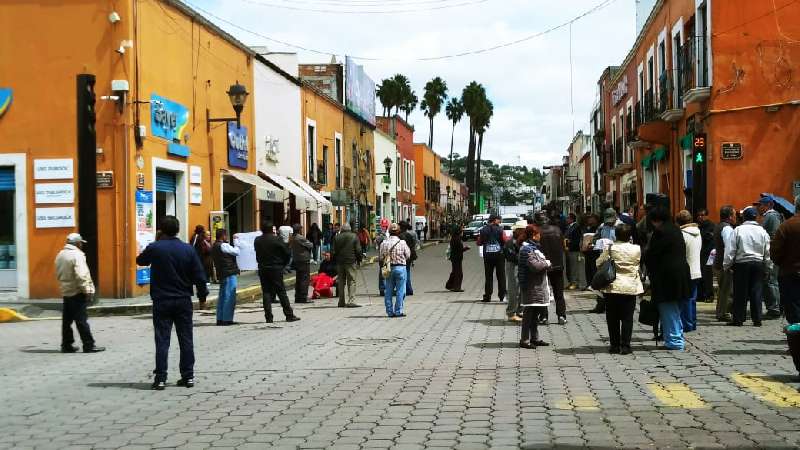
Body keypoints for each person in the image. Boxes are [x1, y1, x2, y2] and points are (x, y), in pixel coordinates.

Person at [136, 216, 208, 390]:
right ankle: (188, 376)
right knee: (186, 339)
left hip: (162, 300)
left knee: (162, 340)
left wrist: (155, 243)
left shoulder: (155, 248)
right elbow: (199, 275)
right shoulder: (188, 250)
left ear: (161, 229)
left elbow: (140, 260)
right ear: (178, 229)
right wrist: (202, 296)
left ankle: (160, 378)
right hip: (183, 300)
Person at [645, 207, 690, 350]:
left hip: (666, 277)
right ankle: (677, 337)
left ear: (655, 220)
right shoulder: (676, 230)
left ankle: (674, 341)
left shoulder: (660, 232)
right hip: (681, 274)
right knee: (676, 310)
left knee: (668, 310)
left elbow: (652, 255)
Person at [597, 224, 643, 354]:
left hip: (613, 287)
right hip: (630, 286)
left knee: (612, 318)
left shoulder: (611, 248)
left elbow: (598, 263)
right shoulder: (637, 249)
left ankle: (614, 345)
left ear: (615, 235)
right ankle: (626, 346)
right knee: (628, 317)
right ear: (629, 236)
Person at [55, 233, 104, 354]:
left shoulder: (60, 254)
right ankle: (89, 345)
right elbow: (82, 275)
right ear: (77, 243)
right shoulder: (77, 255)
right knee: (81, 320)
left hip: (66, 290)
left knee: (67, 321)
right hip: (77, 291)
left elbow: (58, 273)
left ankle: (66, 344)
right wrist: (87, 290)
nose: (81, 245)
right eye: (81, 243)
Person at [723, 206, 771, 327]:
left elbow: (731, 249)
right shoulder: (762, 231)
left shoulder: (738, 230)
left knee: (740, 292)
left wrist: (727, 265)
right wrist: (768, 266)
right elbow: (767, 251)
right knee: (757, 291)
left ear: (744, 217)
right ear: (756, 217)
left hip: (742, 264)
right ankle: (757, 318)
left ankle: (738, 319)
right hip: (758, 263)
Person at [254, 221, 300, 323]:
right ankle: (289, 315)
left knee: (266, 292)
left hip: (263, 268)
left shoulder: (257, 240)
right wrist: (283, 264)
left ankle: (268, 317)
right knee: (281, 291)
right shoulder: (277, 240)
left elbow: (257, 254)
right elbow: (287, 253)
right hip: (276, 268)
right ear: (272, 230)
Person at [517, 224, 551, 349]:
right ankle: (524, 340)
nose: (540, 236)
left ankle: (534, 338)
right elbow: (535, 266)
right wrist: (546, 263)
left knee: (535, 313)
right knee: (529, 313)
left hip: (537, 285)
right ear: (533, 235)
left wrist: (545, 263)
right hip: (531, 285)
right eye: (538, 234)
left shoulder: (533, 247)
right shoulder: (527, 249)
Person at [771, 195, 800, 324]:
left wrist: (781, 262)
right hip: (789, 271)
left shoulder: (786, 226)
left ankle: (796, 333)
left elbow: (776, 251)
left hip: (789, 272)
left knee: (792, 305)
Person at [537, 212, 567, 325]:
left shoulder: (538, 232)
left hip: (543, 265)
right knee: (559, 292)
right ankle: (561, 316)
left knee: (543, 291)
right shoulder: (557, 230)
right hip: (558, 265)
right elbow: (563, 246)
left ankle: (544, 316)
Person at [758, 195, 784, 319]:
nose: (759, 207)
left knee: (771, 281)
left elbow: (773, 235)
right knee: (770, 281)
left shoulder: (771, 216)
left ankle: (774, 308)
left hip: (771, 253)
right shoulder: (769, 216)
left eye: (761, 205)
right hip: (770, 252)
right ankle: (775, 307)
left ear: (768, 205)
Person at [677, 210, 702, 333]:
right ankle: (692, 322)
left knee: (685, 298)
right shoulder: (698, 233)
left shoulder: (682, 234)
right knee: (692, 298)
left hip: (686, 270)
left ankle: (687, 324)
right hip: (697, 269)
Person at [380, 223, 412, 317]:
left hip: (388, 268)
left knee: (388, 290)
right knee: (400, 290)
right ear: (398, 232)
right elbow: (408, 255)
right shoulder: (402, 243)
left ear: (389, 232)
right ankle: (398, 311)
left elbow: (381, 257)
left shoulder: (384, 243)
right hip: (400, 268)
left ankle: (390, 311)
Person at [210, 229, 240, 326]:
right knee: (229, 296)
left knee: (222, 296)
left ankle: (220, 318)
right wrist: (236, 242)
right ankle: (227, 319)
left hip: (222, 273)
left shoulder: (214, 246)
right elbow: (236, 252)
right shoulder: (223, 245)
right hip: (229, 273)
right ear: (223, 236)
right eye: (225, 235)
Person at [713, 206, 736, 322]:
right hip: (724, 263)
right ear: (730, 216)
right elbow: (729, 248)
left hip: (718, 262)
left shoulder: (719, 226)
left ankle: (720, 312)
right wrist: (729, 264)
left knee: (722, 290)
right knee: (727, 290)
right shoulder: (727, 229)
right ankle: (724, 313)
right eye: (734, 214)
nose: (735, 217)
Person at [478, 214, 507, 303]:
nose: (500, 222)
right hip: (499, 256)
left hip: (488, 256)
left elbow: (479, 242)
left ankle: (487, 296)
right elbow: (505, 240)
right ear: (494, 220)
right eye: (499, 220)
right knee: (501, 276)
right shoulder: (501, 230)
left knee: (489, 276)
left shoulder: (483, 230)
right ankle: (502, 295)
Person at [333, 223, 362, 308]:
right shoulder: (354, 236)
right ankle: (351, 301)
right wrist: (359, 259)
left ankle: (341, 301)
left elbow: (333, 251)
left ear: (342, 229)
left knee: (341, 281)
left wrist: (335, 260)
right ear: (349, 229)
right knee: (352, 280)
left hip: (340, 262)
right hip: (350, 261)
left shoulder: (337, 237)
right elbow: (358, 250)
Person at [503, 226, 524, 322]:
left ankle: (519, 310)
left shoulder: (521, 241)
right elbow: (512, 257)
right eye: (523, 230)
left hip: (520, 266)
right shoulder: (511, 242)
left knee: (520, 290)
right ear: (518, 230)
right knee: (514, 290)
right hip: (513, 266)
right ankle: (511, 312)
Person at [696, 209, 715, 303]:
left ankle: (709, 295)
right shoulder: (698, 226)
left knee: (707, 275)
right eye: (699, 215)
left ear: (707, 216)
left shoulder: (711, 225)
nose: (700, 217)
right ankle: (700, 295)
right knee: (700, 275)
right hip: (700, 253)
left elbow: (709, 237)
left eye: (702, 215)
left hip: (708, 254)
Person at [291, 224, 313, 304]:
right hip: (304, 260)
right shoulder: (300, 237)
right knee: (304, 279)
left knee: (299, 279)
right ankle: (304, 297)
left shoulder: (292, 237)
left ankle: (298, 296)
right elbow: (310, 245)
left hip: (297, 259)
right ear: (299, 230)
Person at [446, 224, 470, 292]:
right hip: (457, 258)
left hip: (454, 257)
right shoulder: (457, 239)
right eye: (461, 231)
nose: (462, 232)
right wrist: (466, 248)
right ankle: (457, 287)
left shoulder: (454, 238)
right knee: (459, 273)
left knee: (454, 272)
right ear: (458, 231)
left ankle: (449, 285)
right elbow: (459, 249)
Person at [191, 225, 214, 291]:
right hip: (198, 255)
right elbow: (193, 245)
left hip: (200, 255)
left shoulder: (198, 236)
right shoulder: (197, 236)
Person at [565, 213, 582, 290]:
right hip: (568, 250)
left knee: (574, 267)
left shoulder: (576, 227)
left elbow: (576, 240)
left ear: (571, 219)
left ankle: (575, 282)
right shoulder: (569, 227)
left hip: (573, 250)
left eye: (568, 218)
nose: (566, 220)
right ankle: (571, 282)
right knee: (569, 267)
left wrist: (569, 243)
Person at [399, 221, 418, 296]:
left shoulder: (400, 236)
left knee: (404, 273)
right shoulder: (409, 235)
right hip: (409, 256)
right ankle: (409, 289)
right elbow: (413, 246)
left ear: (401, 227)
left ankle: (406, 289)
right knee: (407, 272)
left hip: (402, 257)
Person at [582, 214, 600, 289]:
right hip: (587, 252)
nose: (589, 220)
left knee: (594, 268)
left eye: (591, 219)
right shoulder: (586, 228)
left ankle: (594, 284)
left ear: (595, 220)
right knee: (587, 268)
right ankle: (588, 283)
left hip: (594, 251)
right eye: (589, 219)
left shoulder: (598, 228)